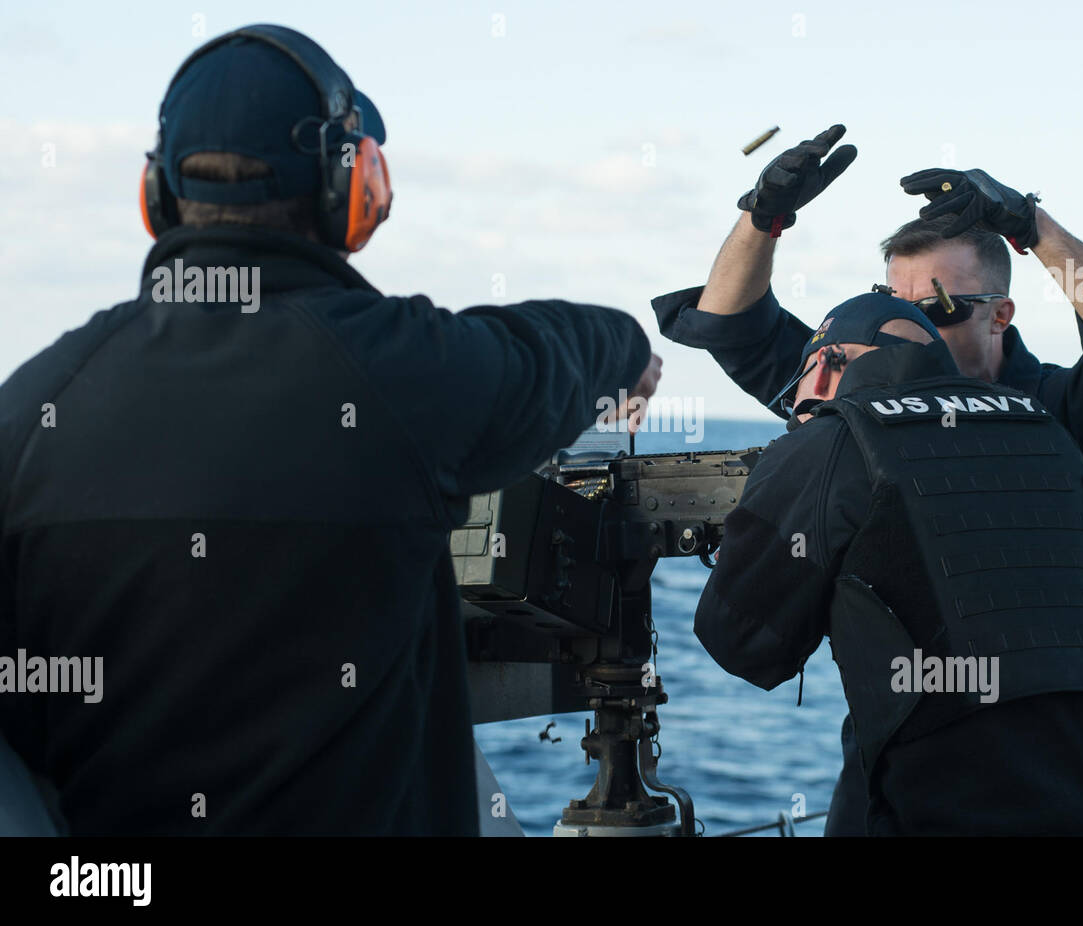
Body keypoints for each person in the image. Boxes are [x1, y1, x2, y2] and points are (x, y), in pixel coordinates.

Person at [0, 24, 659, 836]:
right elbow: (575, 345)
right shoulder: (412, 372)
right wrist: (629, 359)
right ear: (350, 188)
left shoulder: (31, 410)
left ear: (157, 194)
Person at [653, 124, 1083, 834]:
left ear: (1001, 314)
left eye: (937, 309)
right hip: (909, 755)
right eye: (893, 302)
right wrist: (763, 218)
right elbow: (729, 322)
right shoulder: (857, 396)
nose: (913, 328)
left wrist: (1030, 225)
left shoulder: (1060, 415)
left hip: (1076, 768)